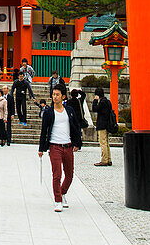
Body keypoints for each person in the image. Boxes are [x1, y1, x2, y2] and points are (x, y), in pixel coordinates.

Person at [38, 84, 83, 212]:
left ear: (63, 96)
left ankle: (62, 193)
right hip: (54, 146)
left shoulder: (69, 111)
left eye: (57, 94)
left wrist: (77, 143)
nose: (55, 97)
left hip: (68, 145)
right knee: (57, 174)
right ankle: (58, 200)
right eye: (53, 94)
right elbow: (44, 131)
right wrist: (41, 148)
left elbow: (76, 127)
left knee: (69, 175)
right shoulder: (48, 112)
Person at [92, 88, 115, 167]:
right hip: (107, 124)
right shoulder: (108, 101)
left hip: (102, 124)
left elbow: (94, 109)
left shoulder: (102, 102)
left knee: (103, 143)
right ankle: (108, 159)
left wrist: (95, 101)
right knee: (106, 142)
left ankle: (104, 160)